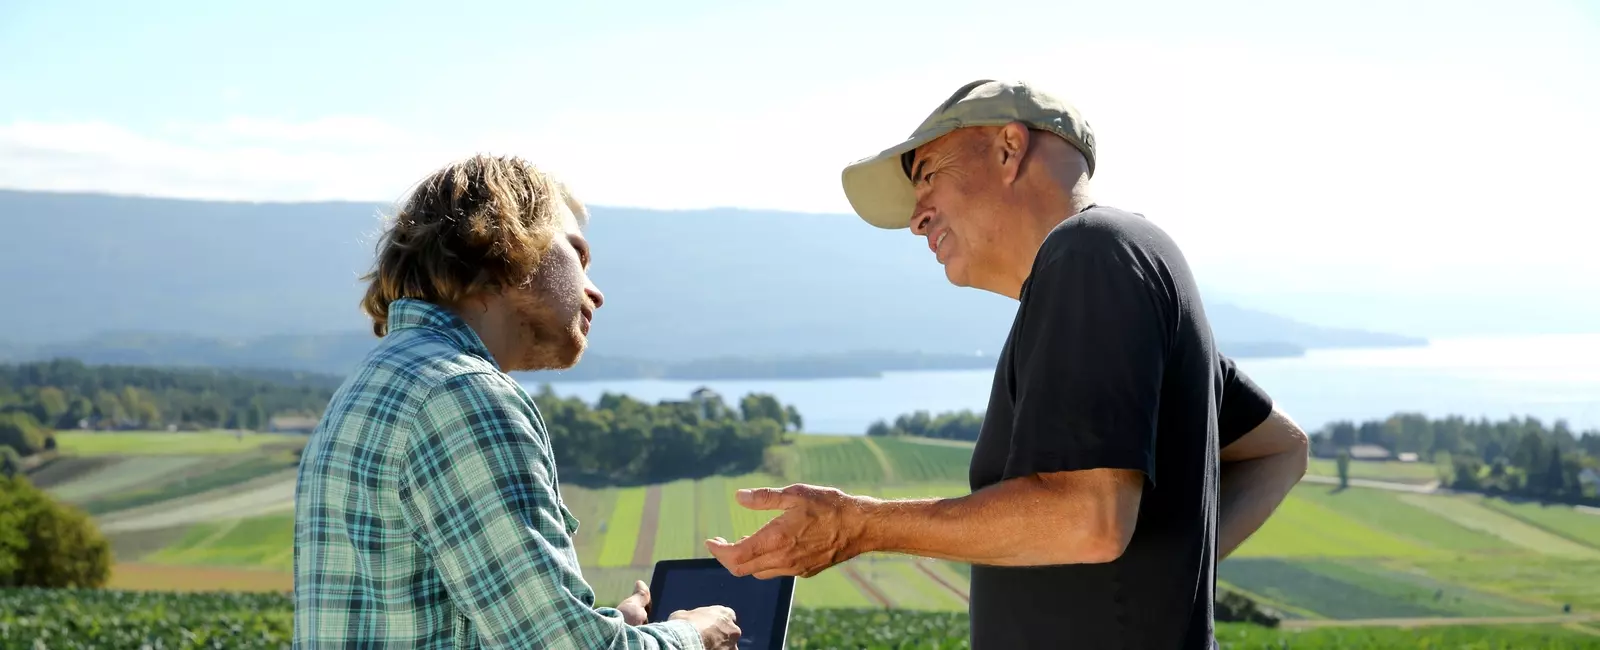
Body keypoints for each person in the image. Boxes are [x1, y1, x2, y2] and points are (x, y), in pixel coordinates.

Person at [705, 80, 1309, 649]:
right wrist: (1170, 578)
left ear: (1008, 149)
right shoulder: (1116, 273)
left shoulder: (1092, 253)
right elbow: (1280, 448)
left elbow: (1091, 519)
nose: (917, 219)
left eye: (927, 177)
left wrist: (859, 525)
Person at [294, 154, 740, 649]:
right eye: (579, 255)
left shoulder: (369, 385)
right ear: (508, 246)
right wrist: (692, 636)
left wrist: (618, 627)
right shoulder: (463, 394)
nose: (596, 293)